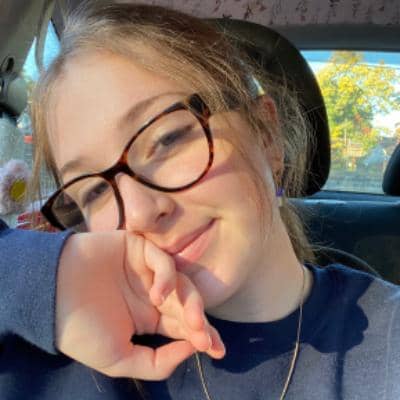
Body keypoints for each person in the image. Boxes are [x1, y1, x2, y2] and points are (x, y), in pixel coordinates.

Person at [1, 2, 400, 399]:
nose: (139, 213)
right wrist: (36, 276)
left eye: (167, 139)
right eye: (95, 191)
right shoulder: (69, 350)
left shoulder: (388, 340)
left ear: (266, 135)